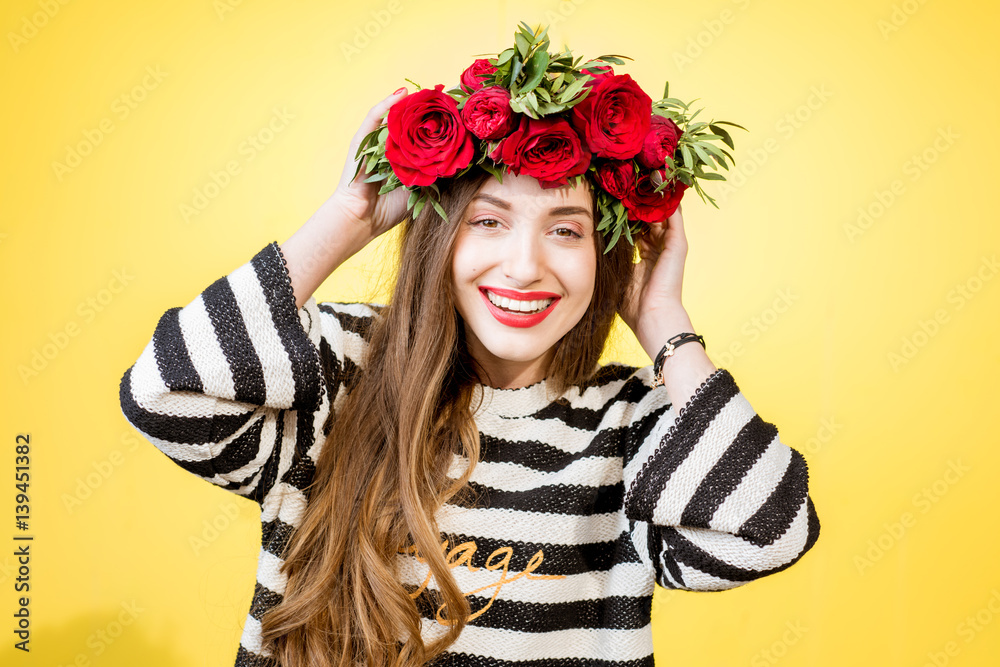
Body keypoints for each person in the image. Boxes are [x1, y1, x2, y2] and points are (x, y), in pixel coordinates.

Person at [119, 34, 820, 667]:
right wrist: (350, 216)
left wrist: (666, 321)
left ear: (609, 257)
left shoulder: (633, 423)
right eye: (488, 219)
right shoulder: (336, 371)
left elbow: (768, 529)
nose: (523, 266)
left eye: (566, 230)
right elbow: (166, 391)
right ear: (439, 236)